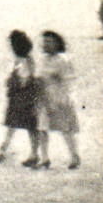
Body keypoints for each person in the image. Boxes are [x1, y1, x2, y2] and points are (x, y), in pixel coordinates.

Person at [0, 30, 42, 167]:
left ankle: (4, 152)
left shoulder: (22, 61)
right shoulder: (29, 60)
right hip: (27, 98)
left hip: (21, 98)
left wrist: (11, 83)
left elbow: (23, 80)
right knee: (29, 127)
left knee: (14, 125)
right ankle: (33, 154)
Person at [35, 30, 80, 169]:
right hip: (43, 98)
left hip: (59, 98)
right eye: (45, 42)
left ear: (57, 43)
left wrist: (68, 98)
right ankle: (44, 158)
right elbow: (39, 77)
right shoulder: (43, 59)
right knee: (42, 128)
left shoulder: (63, 60)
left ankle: (74, 156)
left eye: (49, 42)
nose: (46, 45)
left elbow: (69, 81)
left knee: (65, 129)